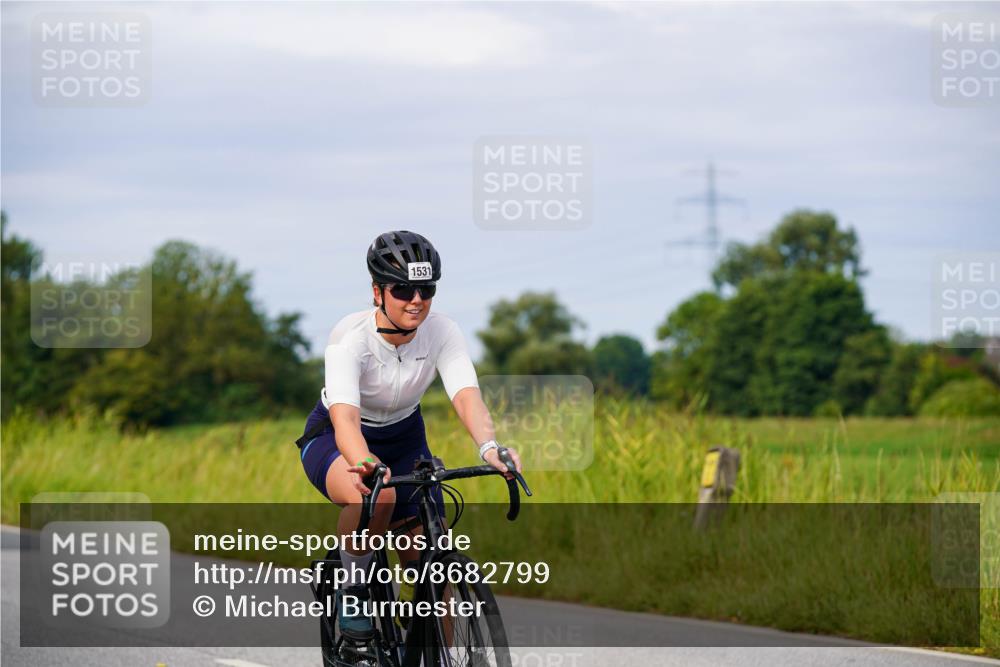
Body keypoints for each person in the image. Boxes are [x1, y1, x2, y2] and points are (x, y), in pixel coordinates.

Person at [296, 230, 522, 640]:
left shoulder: (442, 331)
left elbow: (466, 395)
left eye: (426, 288)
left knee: (434, 570)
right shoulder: (350, 338)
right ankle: (354, 590)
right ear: (377, 291)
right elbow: (346, 418)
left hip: (404, 437)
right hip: (336, 436)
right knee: (378, 495)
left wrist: (490, 447)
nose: (416, 300)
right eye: (402, 289)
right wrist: (363, 462)